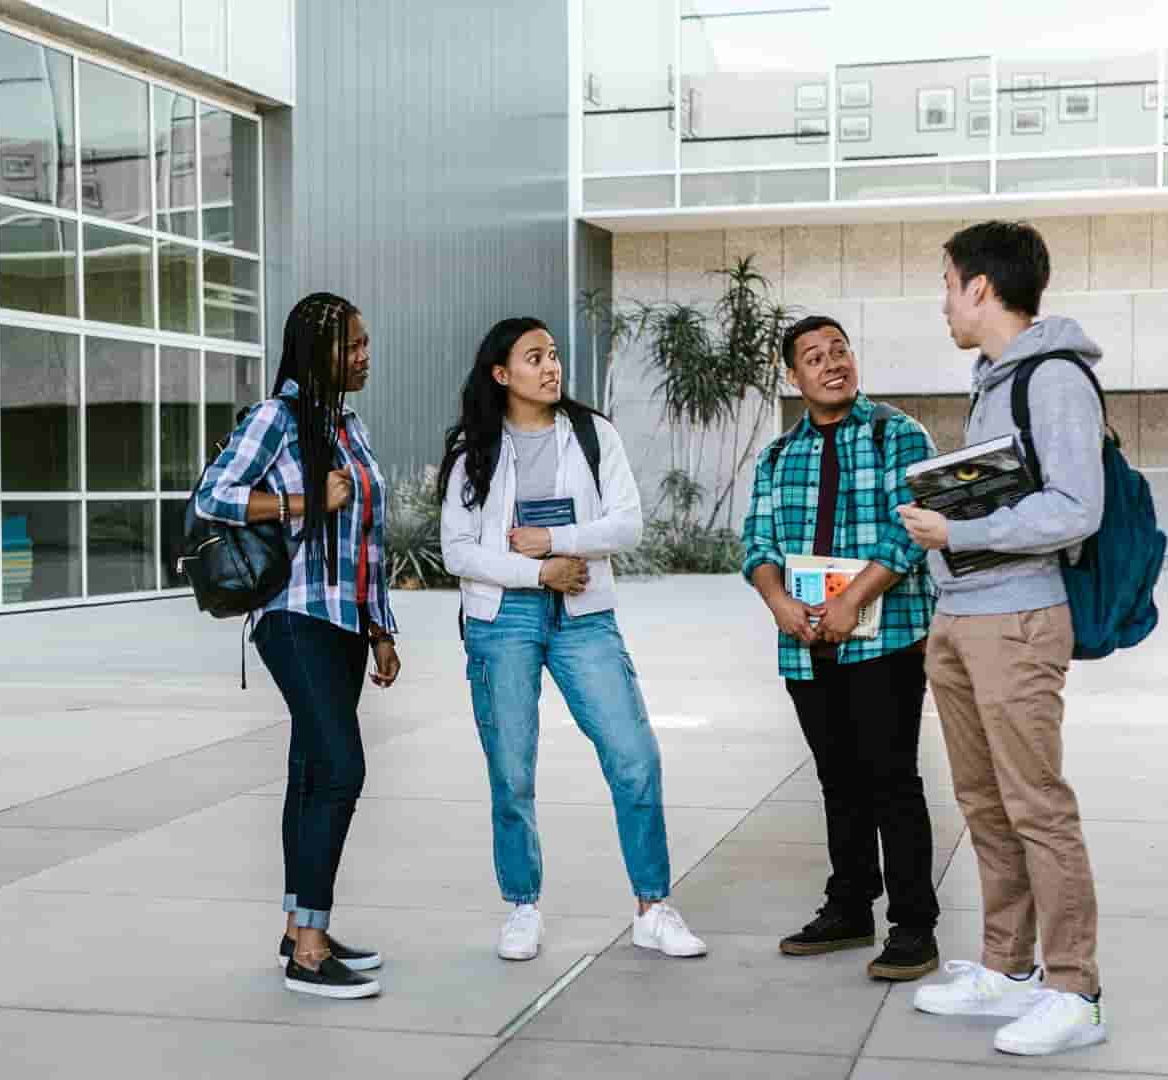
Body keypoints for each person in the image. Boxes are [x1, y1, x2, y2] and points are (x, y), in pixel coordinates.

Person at [895, 221, 1109, 1056]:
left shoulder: (1054, 378)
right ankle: (1008, 967)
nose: (944, 301)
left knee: (1036, 806)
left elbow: (1074, 508)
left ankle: (1075, 990)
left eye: (948, 283)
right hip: (963, 615)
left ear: (981, 287)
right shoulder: (994, 380)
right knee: (984, 803)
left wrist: (959, 535)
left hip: (1017, 617)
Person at [438, 316, 706, 964]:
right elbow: (457, 550)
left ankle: (652, 908)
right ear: (501, 374)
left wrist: (557, 542)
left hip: (584, 615)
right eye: (535, 357)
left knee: (634, 755)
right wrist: (539, 571)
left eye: (553, 355)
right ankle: (523, 908)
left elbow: (628, 524)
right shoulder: (473, 447)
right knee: (512, 771)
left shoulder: (592, 434)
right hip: (503, 621)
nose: (551, 367)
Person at [194, 292, 401, 1000]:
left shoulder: (348, 426)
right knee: (341, 769)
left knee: (313, 773)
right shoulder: (274, 421)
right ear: (318, 353)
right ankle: (308, 955)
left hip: (343, 621)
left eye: (366, 342)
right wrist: (302, 502)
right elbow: (212, 496)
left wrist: (381, 629)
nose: (365, 356)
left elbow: (367, 538)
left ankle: (299, 927)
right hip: (293, 616)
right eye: (353, 345)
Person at [741, 315, 942, 982]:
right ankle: (850, 907)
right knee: (838, 779)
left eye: (840, 351)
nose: (833, 364)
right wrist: (778, 602)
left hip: (885, 638)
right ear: (791, 376)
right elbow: (758, 544)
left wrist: (853, 598)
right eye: (814, 357)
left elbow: (911, 531)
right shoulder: (776, 457)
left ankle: (914, 927)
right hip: (805, 644)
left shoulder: (896, 434)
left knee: (892, 780)